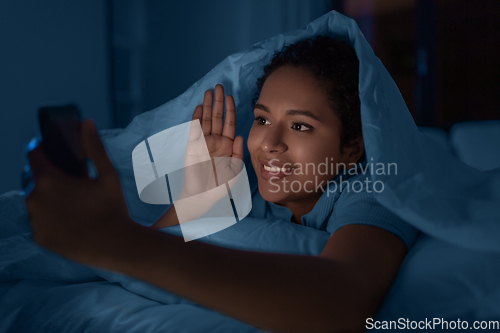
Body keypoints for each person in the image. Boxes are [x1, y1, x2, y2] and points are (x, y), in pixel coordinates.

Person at [26, 36, 418, 333]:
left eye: (300, 126)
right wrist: (196, 198)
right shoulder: (255, 187)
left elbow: (344, 300)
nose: (268, 144)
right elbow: (144, 280)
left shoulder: (372, 190)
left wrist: (115, 239)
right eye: (262, 119)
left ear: (351, 149)